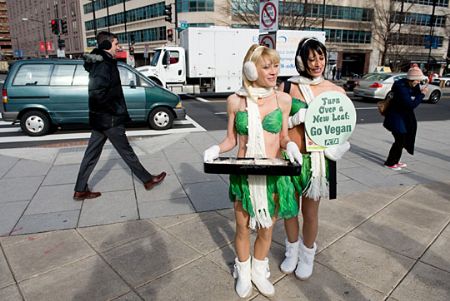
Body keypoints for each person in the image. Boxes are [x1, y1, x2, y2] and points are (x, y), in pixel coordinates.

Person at [203, 45, 302, 298]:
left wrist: (290, 145)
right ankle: (243, 272)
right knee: (242, 227)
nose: (273, 71)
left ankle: (259, 270)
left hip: (273, 176)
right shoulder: (235, 100)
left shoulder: (283, 99)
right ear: (250, 68)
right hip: (244, 175)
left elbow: (281, 138)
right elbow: (231, 140)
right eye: (266, 66)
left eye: (276, 65)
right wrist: (215, 149)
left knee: (267, 228)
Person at [278, 38, 350, 280]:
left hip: (316, 162)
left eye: (320, 58)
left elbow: (342, 127)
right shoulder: (288, 87)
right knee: (289, 210)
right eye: (311, 59)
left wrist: (339, 147)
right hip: (290, 158)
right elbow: (276, 125)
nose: (317, 63)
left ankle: (308, 254)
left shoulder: (336, 90)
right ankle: (291, 251)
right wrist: (295, 119)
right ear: (301, 61)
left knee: (310, 213)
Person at [73, 31, 166, 201]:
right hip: (109, 119)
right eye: (116, 44)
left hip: (101, 119)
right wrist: (114, 110)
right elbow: (97, 93)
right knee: (126, 152)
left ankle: (80, 189)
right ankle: (147, 180)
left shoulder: (100, 62)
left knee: (91, 154)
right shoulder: (104, 65)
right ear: (107, 46)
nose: (119, 47)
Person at [383, 66, 428, 170]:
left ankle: (395, 160)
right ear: (411, 79)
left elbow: (415, 93)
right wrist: (422, 95)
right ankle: (390, 163)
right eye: (417, 80)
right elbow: (411, 104)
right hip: (395, 116)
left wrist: (420, 89)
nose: (418, 82)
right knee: (399, 140)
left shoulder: (409, 84)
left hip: (402, 117)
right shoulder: (401, 87)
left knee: (402, 140)